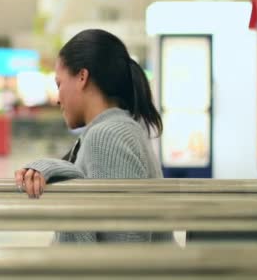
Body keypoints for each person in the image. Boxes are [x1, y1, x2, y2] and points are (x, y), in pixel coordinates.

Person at [15, 29, 170, 243]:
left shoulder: (108, 136)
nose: (58, 99)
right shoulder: (117, 128)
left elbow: (125, 252)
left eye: (59, 84)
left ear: (81, 77)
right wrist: (52, 168)